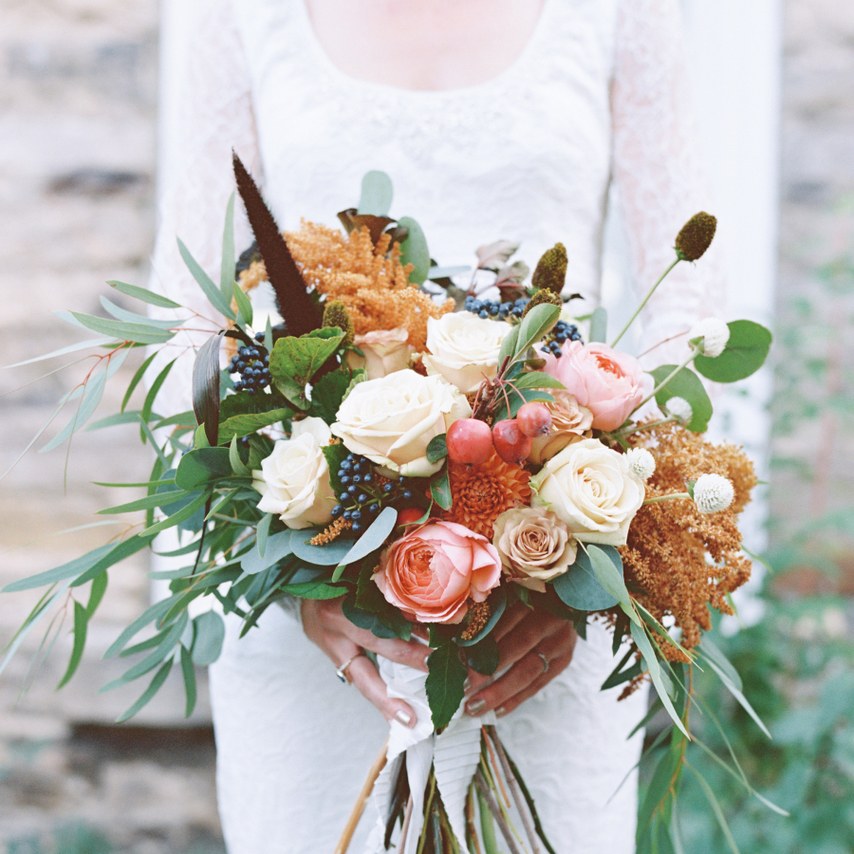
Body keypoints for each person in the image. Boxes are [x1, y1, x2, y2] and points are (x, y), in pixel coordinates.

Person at [151, 1, 718, 851]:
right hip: (313, 615)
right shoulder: (237, 14)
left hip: (547, 609)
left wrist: (584, 564)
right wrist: (295, 570)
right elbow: (188, 317)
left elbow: (689, 317)